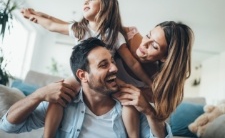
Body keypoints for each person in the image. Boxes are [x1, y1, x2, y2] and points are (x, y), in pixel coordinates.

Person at [21, 0, 151, 137]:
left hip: (105, 78)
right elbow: (52, 24)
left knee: (128, 98)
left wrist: (150, 83)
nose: (85, 2)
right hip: (80, 76)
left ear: (106, 6)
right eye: (85, 0)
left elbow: (132, 63)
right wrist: (34, 17)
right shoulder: (79, 29)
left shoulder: (114, 35)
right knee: (58, 97)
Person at [0, 38, 173, 138]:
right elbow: (8, 126)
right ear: (82, 75)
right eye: (104, 65)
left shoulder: (130, 107)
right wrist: (38, 95)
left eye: (112, 61)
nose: (114, 68)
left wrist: (150, 111)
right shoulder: (63, 102)